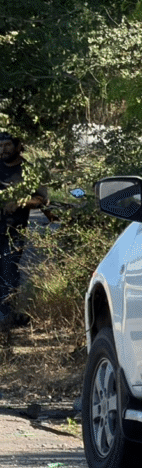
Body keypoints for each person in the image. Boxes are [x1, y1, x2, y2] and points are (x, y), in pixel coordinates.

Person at [0, 131, 48, 326]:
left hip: (13, 231)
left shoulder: (29, 171)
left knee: (8, 271)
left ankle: (6, 317)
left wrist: (20, 202)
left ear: (18, 146)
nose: (3, 150)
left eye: (7, 145)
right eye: (0, 146)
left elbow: (42, 200)